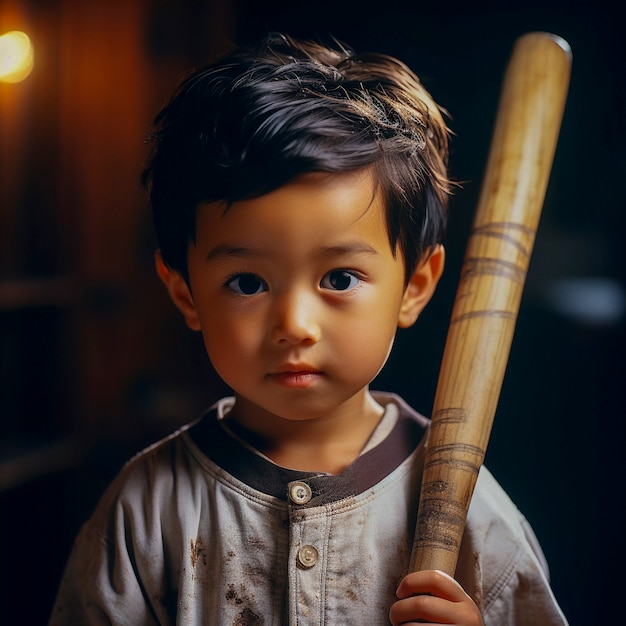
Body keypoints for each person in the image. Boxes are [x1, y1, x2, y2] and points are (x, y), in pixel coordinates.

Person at [49, 33, 568, 625]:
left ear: (416, 285)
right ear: (184, 294)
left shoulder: (474, 514)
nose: (294, 325)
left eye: (340, 278)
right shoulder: (147, 510)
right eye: (247, 283)